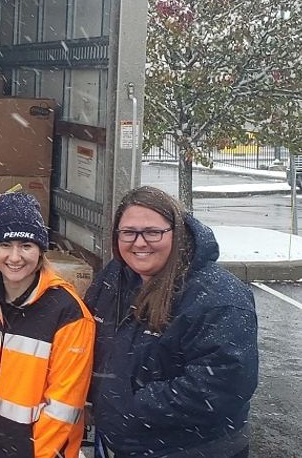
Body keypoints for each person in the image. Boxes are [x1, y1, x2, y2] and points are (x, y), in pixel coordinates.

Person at [85, 186, 258, 458]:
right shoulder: (114, 278)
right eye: (128, 233)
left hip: (192, 450)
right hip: (120, 445)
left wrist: (130, 404)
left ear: (177, 233)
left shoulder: (219, 297)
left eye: (153, 232)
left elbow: (224, 385)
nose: (139, 242)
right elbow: (84, 333)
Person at [0, 191, 95, 458]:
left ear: (40, 250)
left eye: (26, 246)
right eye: (5, 245)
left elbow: (63, 406)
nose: (15, 257)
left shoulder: (69, 313)